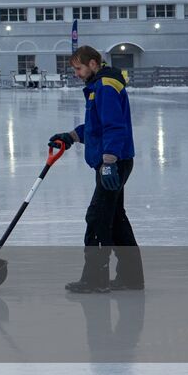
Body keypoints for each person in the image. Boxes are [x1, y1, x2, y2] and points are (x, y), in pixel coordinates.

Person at [49, 45, 143, 294]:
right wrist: (70, 136)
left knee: (98, 217)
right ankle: (131, 277)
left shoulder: (105, 87)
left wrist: (109, 163)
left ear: (93, 64)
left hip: (113, 162)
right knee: (114, 218)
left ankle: (95, 279)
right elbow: (96, 127)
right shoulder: (99, 86)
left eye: (79, 68)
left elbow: (114, 126)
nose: (77, 74)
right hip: (113, 160)